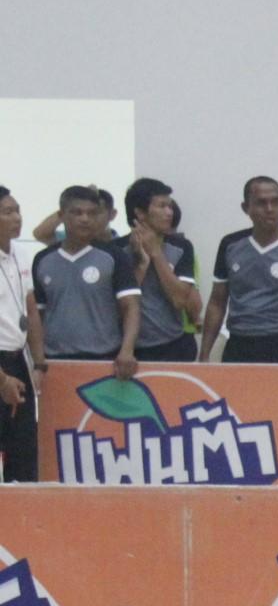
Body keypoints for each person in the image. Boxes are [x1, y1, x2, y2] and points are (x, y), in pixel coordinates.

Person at [202, 176, 278, 363]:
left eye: (275, 202)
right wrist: (204, 355)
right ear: (246, 207)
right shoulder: (230, 245)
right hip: (240, 344)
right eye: (261, 203)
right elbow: (217, 302)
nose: (269, 209)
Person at [29, 186, 140, 376]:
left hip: (106, 359)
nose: (85, 219)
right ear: (62, 215)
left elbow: (131, 307)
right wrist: (38, 361)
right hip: (54, 361)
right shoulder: (42, 259)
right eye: (77, 212)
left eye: (92, 213)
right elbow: (36, 316)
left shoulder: (114, 256)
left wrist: (127, 351)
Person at [123, 179, 201, 363]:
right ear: (140, 213)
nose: (169, 212)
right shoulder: (117, 250)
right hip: (129, 349)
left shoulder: (181, 247)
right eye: (162, 206)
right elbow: (119, 306)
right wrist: (141, 263)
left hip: (173, 345)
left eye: (170, 206)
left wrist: (156, 253)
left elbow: (179, 300)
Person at [0, 188, 36, 481]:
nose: (16, 218)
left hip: (18, 359)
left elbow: (31, 309)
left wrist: (40, 363)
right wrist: (3, 380)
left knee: (23, 448)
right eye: (7, 212)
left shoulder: (21, 254)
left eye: (17, 210)